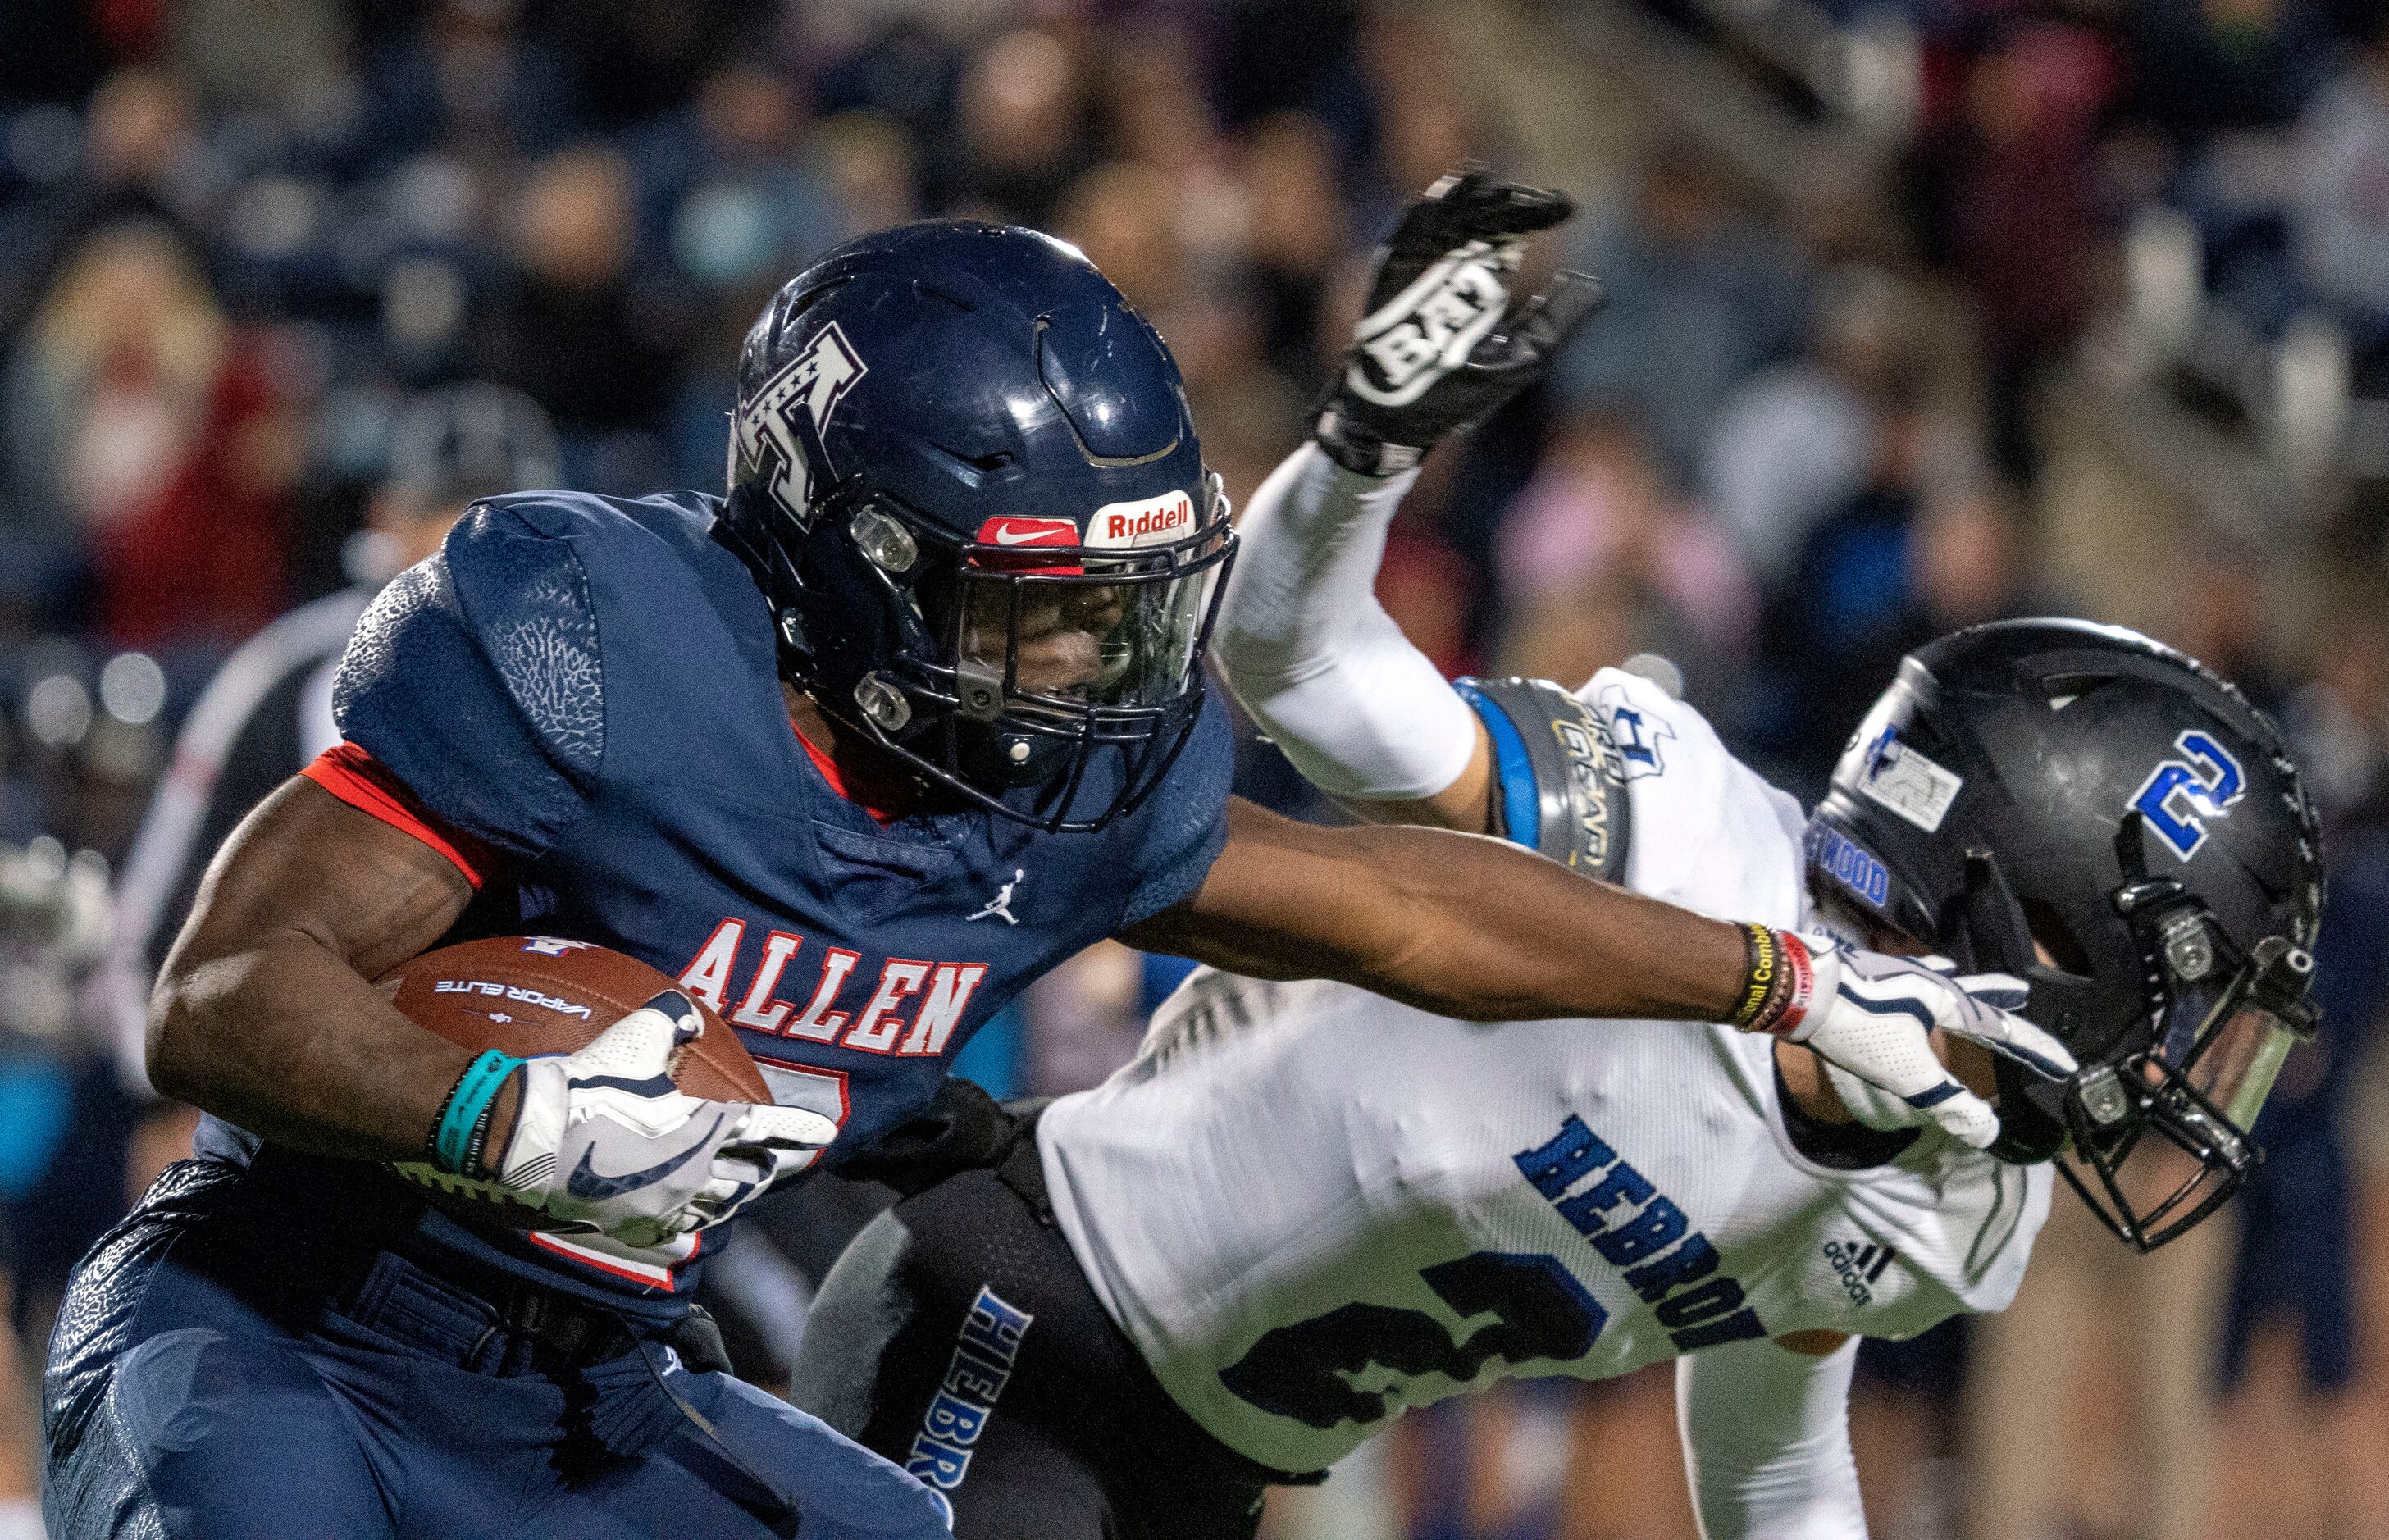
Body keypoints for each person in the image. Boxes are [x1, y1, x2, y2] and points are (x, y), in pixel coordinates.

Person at [43, 185, 2062, 1539]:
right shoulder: (607, 649)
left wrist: (1779, 980)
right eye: (1041, 613)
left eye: (1126, 603)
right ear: (853, 558)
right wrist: (499, 1104)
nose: (1099, 666)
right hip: (294, 1322)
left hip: (599, 1382)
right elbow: (226, 995)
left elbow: (1402, 899)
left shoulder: (1061, 784)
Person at [782, 530, 2323, 1538]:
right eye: (2182, 995)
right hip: (1023, 1315)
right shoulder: (1680, 834)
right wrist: (1355, 468)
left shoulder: (1957, 1190)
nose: (2191, 1064)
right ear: (2033, 914)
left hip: (1207, 1463)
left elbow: (1775, 1448)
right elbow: (1295, 720)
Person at [104, 382, 561, 1067]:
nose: (473, 541)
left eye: (504, 517)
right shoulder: (289, 673)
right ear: (388, 519)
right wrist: (172, 1084)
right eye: (448, 510)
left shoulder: (609, 683)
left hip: (531, 1069)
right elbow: (151, 927)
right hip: (311, 1074)